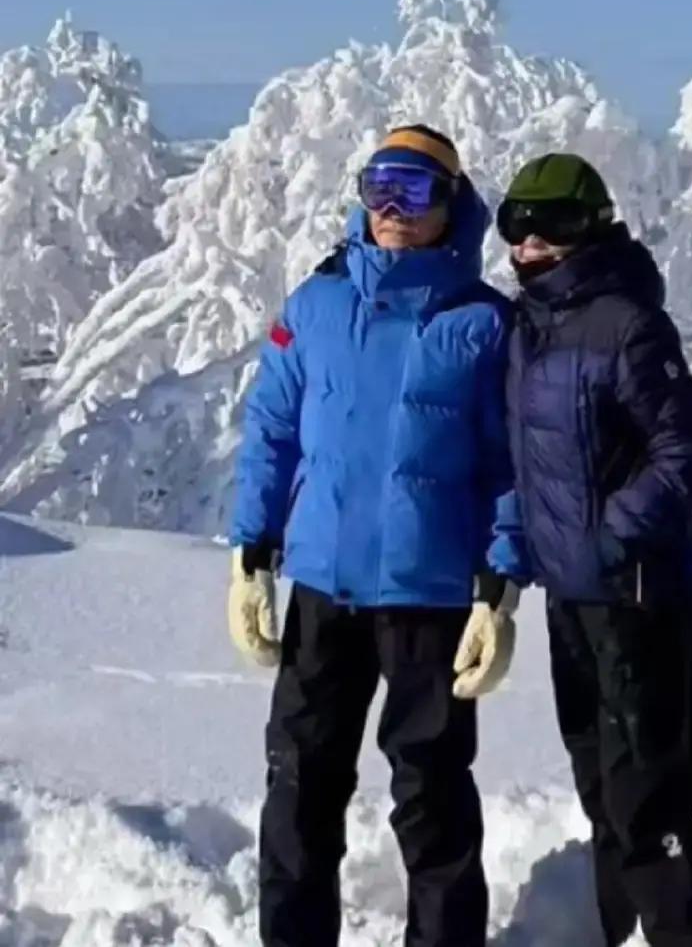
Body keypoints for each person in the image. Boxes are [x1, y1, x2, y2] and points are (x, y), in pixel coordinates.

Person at [228, 124, 524, 947]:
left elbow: (510, 469)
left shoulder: (484, 324)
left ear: (452, 204)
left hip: (428, 599)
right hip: (322, 589)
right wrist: (252, 553)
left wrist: (498, 591)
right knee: (298, 788)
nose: (393, 208)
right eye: (378, 186)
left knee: (431, 797)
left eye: (416, 190)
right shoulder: (315, 304)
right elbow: (271, 431)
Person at [496, 153, 692, 947]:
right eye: (516, 224)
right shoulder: (530, 327)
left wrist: (612, 536)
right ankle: (618, 931)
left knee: (649, 797)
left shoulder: (627, 324)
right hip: (570, 599)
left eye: (554, 224)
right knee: (602, 786)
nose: (531, 243)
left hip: (642, 597)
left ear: (593, 228)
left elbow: (691, 453)